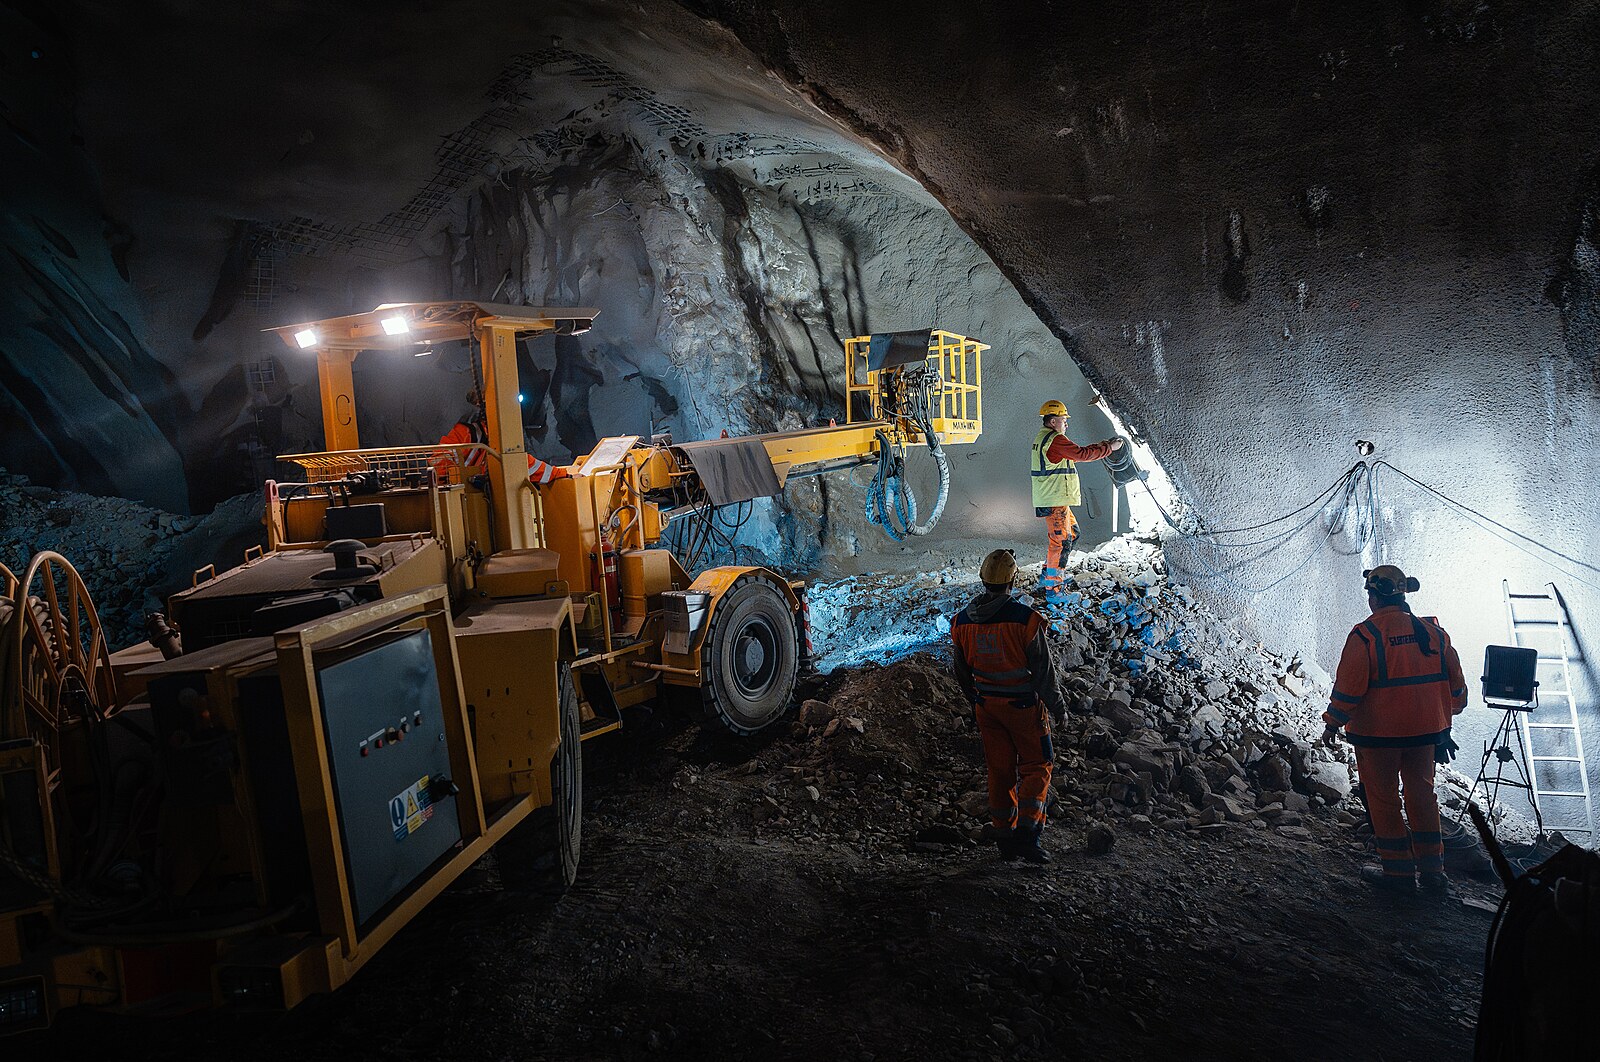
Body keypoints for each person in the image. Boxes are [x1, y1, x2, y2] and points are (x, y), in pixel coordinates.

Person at [1322, 565, 1468, 893]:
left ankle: (1399, 875)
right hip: (1426, 736)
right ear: (1403, 595)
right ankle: (1434, 872)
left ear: (1374, 597)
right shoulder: (1434, 634)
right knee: (1421, 796)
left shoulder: (1366, 635)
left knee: (1383, 798)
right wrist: (1445, 717)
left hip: (1378, 737)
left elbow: (1348, 689)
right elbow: (1457, 689)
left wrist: (1332, 722)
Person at [951, 548, 1065, 864]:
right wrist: (1058, 707)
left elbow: (960, 670)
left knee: (1000, 771)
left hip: (987, 709)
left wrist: (975, 699)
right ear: (1012, 579)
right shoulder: (1026, 621)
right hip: (1023, 709)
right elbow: (1043, 671)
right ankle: (1028, 836)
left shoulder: (961, 623)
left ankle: (1004, 836)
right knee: (1036, 765)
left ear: (983, 580)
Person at [1032, 399, 1123, 606]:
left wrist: (1102, 446)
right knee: (1061, 542)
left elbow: (1077, 450)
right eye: (1064, 420)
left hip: (1055, 498)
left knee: (1072, 533)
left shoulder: (1047, 437)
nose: (1066, 424)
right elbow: (1082, 454)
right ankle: (1053, 590)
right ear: (1053, 421)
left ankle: (1047, 577)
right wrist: (1110, 447)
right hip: (1053, 499)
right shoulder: (1054, 440)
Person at [434, 392, 568, 485]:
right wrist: (458, 479)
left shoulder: (472, 432)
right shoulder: (468, 434)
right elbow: (522, 465)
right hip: (467, 503)